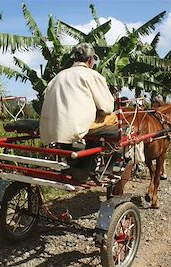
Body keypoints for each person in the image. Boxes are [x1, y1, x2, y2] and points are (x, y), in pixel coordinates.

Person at [39, 42, 118, 182]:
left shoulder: (58, 76)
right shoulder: (92, 75)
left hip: (51, 128)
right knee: (113, 120)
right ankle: (89, 167)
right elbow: (107, 107)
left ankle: (74, 163)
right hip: (77, 128)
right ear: (90, 60)